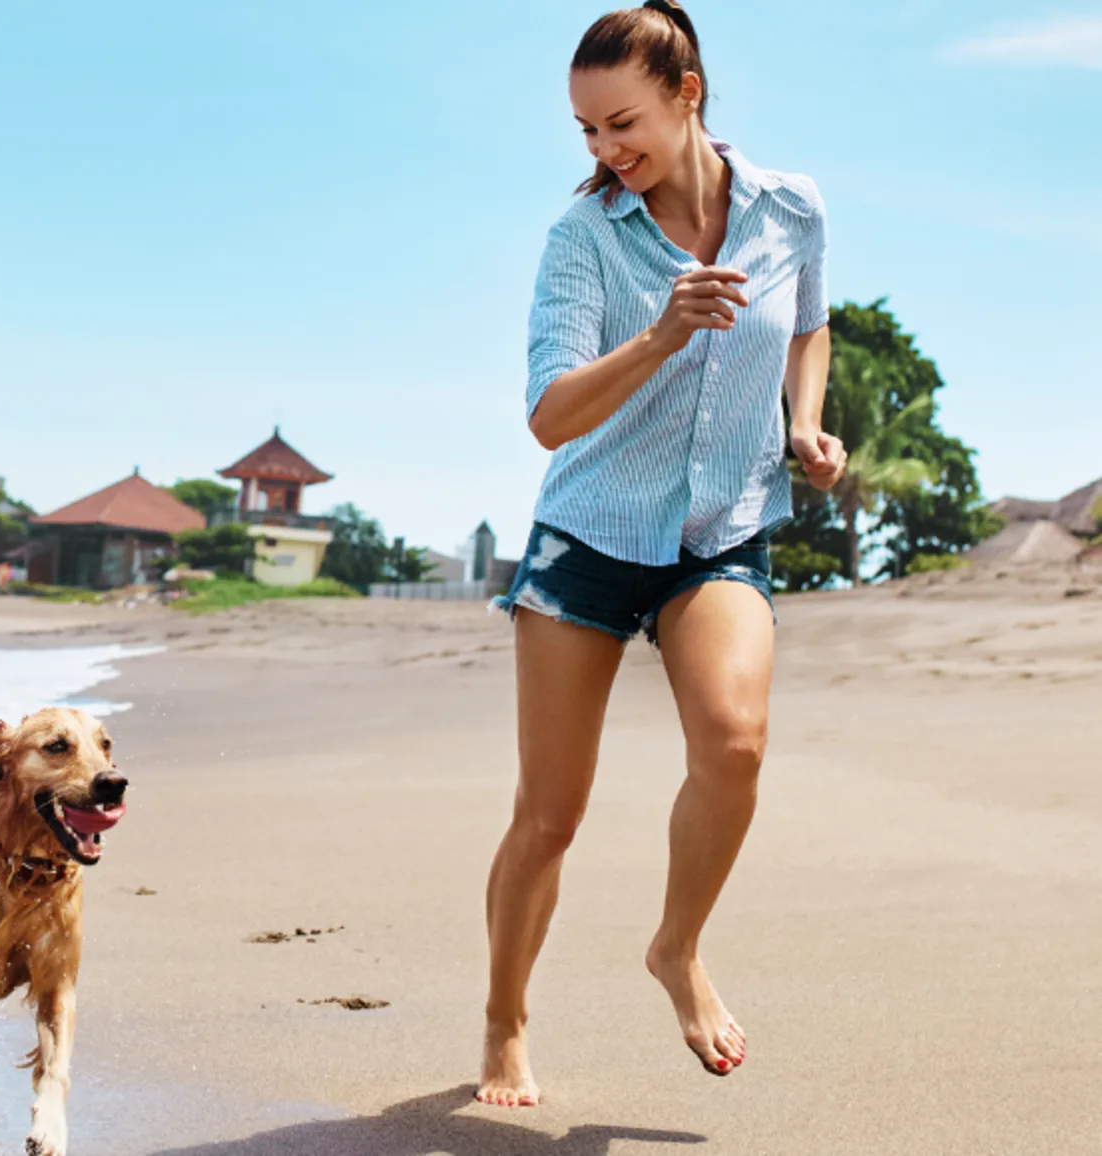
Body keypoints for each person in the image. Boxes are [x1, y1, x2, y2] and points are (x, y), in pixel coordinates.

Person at [477, 1, 847, 1107]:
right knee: (550, 814)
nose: (605, 152)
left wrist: (803, 423)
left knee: (732, 743)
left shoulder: (793, 207)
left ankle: (676, 947)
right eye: (587, 132)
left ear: (688, 94)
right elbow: (549, 416)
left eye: (622, 123)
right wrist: (661, 331)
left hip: (721, 525)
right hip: (590, 535)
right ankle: (504, 1020)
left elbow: (809, 323)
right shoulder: (581, 239)